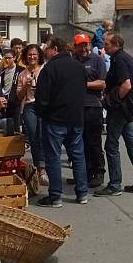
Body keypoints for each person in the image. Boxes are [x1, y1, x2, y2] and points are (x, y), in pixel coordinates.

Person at [35, 37, 89, 206]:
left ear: (55, 48)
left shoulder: (50, 68)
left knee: (53, 157)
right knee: (78, 156)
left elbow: (42, 96)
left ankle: (55, 196)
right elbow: (83, 90)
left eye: (47, 48)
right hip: (76, 117)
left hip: (55, 118)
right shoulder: (79, 66)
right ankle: (82, 193)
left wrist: (40, 113)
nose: (45, 51)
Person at [96, 32, 133, 195]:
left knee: (111, 145)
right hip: (128, 107)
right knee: (131, 143)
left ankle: (114, 184)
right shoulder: (125, 58)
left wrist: (112, 100)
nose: (104, 46)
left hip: (120, 108)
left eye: (107, 43)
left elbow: (126, 85)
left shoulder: (119, 59)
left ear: (116, 44)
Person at [73, 32, 108, 188]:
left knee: (93, 142)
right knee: (78, 143)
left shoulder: (97, 60)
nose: (83, 48)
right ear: (75, 47)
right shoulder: (73, 62)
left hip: (93, 106)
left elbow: (102, 83)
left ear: (89, 45)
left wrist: (83, 84)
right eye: (80, 45)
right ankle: (83, 173)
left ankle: (98, 172)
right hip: (76, 107)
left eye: (85, 44)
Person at [16, 43, 46, 185]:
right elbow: (19, 96)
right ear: (25, 57)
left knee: (44, 136)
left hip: (45, 106)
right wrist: (27, 86)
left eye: (34, 54)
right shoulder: (22, 74)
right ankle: (39, 168)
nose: (32, 57)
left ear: (39, 55)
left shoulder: (45, 70)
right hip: (30, 106)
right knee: (34, 136)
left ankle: (47, 167)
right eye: (29, 55)